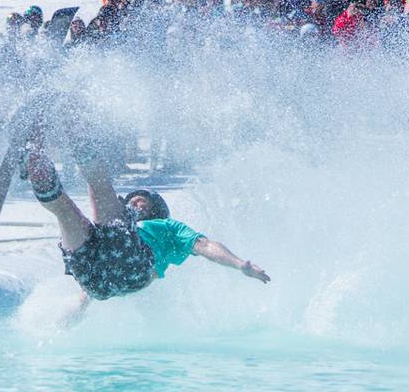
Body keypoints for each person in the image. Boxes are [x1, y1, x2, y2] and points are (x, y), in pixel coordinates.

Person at [21, 107, 270, 309]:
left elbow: (205, 246)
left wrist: (240, 264)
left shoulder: (167, 229)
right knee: (63, 209)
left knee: (100, 190)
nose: (136, 201)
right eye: (133, 199)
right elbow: (87, 297)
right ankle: (34, 153)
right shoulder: (115, 226)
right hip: (94, 280)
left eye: (143, 200)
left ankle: (71, 117)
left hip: (134, 268)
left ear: (157, 210)